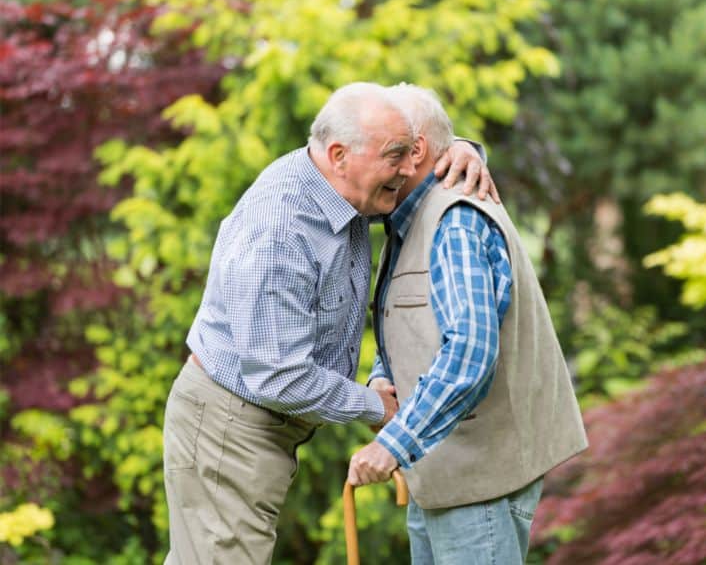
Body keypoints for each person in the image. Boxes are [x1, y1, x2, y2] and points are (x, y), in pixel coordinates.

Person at [162, 82, 494, 564]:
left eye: (410, 154)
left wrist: (461, 149)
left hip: (254, 422)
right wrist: (374, 406)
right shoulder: (281, 231)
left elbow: (416, 167)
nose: (406, 169)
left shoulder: (349, 188)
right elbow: (277, 374)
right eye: (395, 155)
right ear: (339, 154)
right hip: (230, 427)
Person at [347, 84, 588, 564]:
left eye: (385, 148)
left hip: (481, 482)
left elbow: (470, 354)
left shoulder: (454, 221)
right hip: (439, 473)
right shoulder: (406, 221)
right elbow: (410, 321)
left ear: (415, 152)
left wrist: (392, 445)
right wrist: (383, 375)